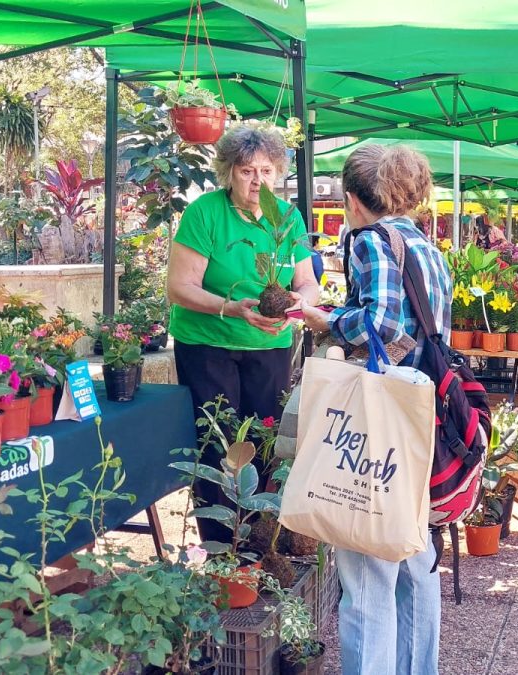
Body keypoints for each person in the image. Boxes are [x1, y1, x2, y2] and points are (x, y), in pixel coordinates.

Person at [292, 144, 449, 675]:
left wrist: (328, 323)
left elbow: (381, 325)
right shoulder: (423, 244)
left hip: (377, 418)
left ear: (354, 200)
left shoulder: (367, 240)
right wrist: (342, 312)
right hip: (419, 411)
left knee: (365, 572)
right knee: (414, 556)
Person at [166, 124, 319, 543]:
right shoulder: (206, 213)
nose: (257, 181)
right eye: (247, 171)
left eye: (266, 171)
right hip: (208, 345)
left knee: (264, 437)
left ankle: (257, 539)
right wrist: (229, 307)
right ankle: (221, 547)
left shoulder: (286, 217)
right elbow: (178, 288)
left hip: (269, 343)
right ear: (228, 172)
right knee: (218, 442)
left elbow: (308, 282)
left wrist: (297, 304)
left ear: (278, 174)